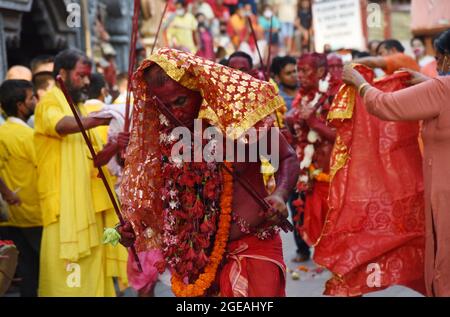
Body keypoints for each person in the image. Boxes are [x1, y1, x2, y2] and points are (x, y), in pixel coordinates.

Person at [118, 48, 299, 297]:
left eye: (181, 101)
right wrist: (134, 231)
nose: (175, 112)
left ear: (199, 89)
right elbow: (164, 203)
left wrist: (280, 195)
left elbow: (286, 157)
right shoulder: (164, 138)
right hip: (197, 263)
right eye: (165, 105)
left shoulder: (240, 118)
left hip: (252, 247)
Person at [341, 29, 450, 297]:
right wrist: (427, 82)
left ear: (447, 59)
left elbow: (385, 105)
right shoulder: (439, 88)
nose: (437, 65)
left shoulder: (441, 88)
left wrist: (359, 82)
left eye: (438, 59)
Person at [34, 49, 128, 296]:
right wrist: (102, 118)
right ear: (62, 75)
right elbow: (61, 125)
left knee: (91, 275)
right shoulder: (50, 101)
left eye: (88, 77)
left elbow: (97, 156)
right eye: (81, 76)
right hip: (64, 209)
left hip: (90, 206)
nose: (87, 82)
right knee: (66, 276)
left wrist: (118, 144)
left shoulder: (82, 107)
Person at [285, 53, 335, 249]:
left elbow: (342, 137)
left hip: (328, 171)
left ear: (321, 71)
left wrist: (313, 122)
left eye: (304, 70)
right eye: (298, 70)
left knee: (331, 227)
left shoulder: (332, 96)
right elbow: (298, 136)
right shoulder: (301, 97)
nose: (299, 75)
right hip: (306, 169)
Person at [0, 80, 41, 297]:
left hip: (12, 214)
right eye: (31, 98)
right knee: (37, 271)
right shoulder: (27, 136)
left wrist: (7, 193)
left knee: (27, 270)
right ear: (20, 105)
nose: (35, 101)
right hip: (34, 213)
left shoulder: (3, 132)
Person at [354, 39, 420, 75]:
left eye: (381, 53)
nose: (379, 57)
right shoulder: (395, 67)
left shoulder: (401, 57)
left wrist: (348, 63)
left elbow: (372, 62)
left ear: (393, 50)